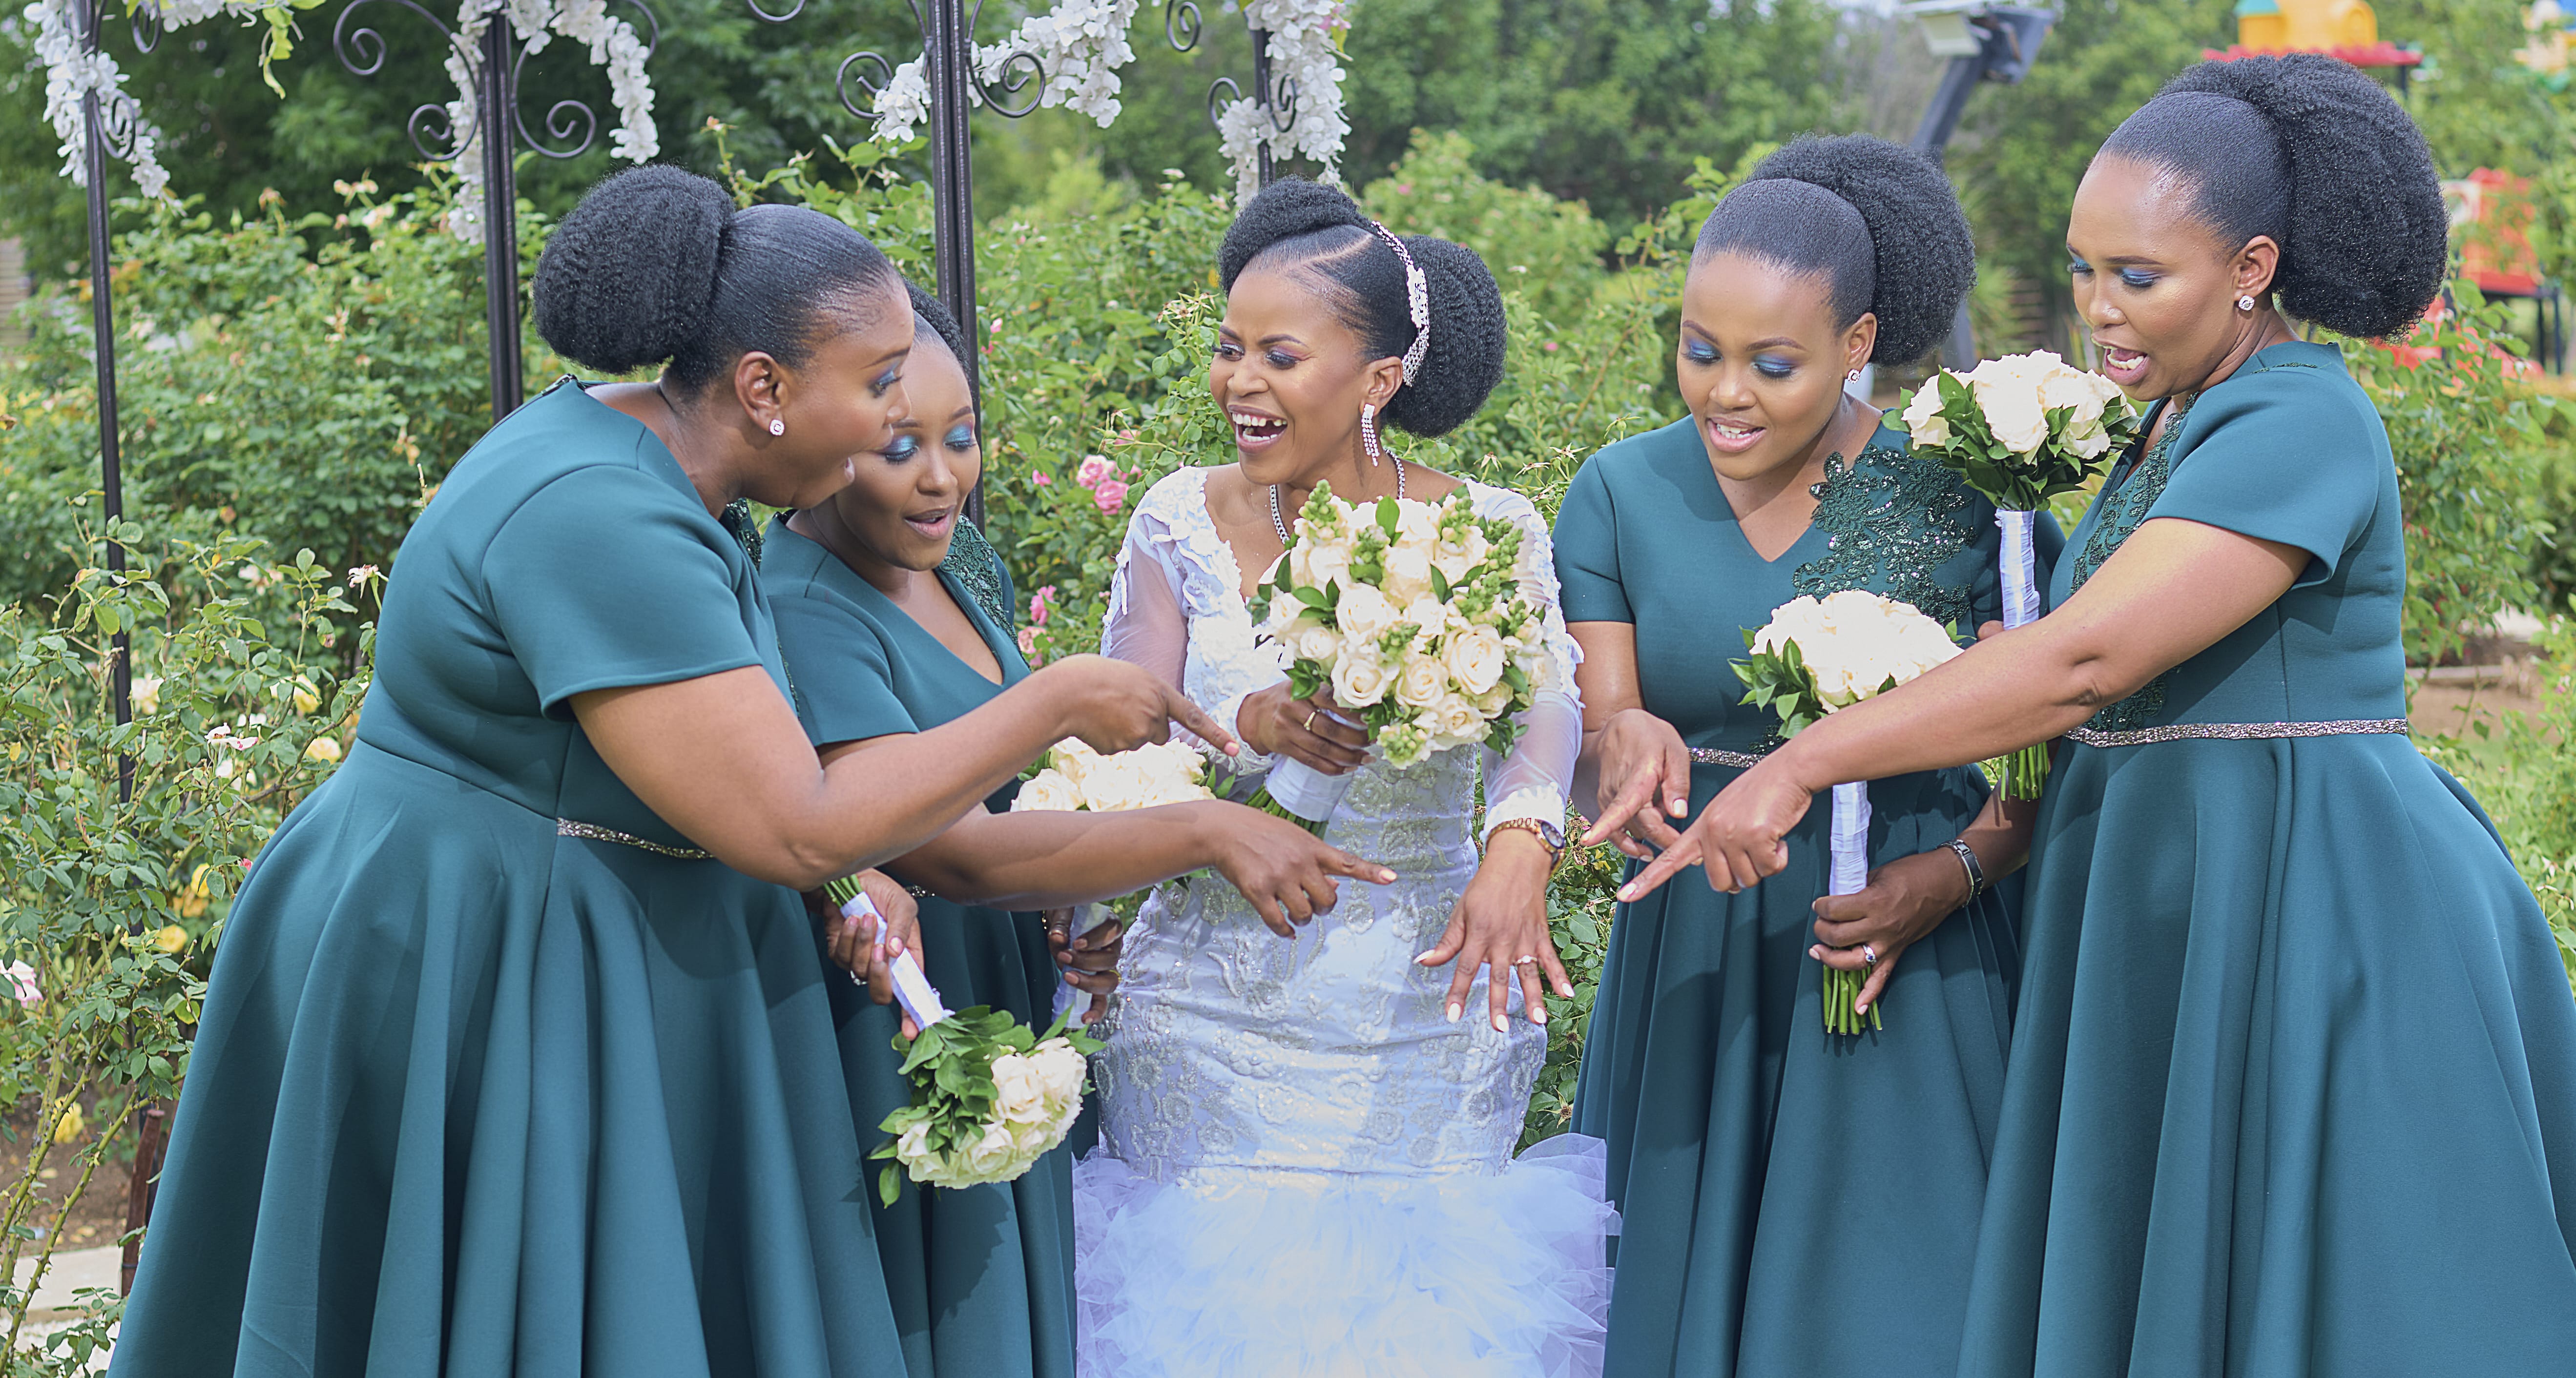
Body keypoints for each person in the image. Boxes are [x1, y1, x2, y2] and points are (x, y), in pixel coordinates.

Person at [109, 165, 1369, 1378]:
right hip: (468, 948)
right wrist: (1049, 704)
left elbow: (721, 777)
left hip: (580, 929)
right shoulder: (597, 512)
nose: (895, 421)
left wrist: (848, 884)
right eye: (878, 383)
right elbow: (793, 820)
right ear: (764, 386)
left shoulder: (677, 479)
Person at [1624, 57, 2576, 1378]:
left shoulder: (2300, 417)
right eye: (2083, 268)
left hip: (2311, 899)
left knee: (2363, 1296)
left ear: (2251, 268)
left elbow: (2085, 661)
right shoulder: (2166, 423)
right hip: (2169, 890)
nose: (2099, 307)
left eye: (2139, 276)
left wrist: (1801, 762)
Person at [765, 283, 1391, 1378]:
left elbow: (1014, 795)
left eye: (961, 436)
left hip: (1011, 979)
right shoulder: (807, 605)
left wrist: (1069, 917)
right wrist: (1205, 829)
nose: (941, 476)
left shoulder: (951, 564)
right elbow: (947, 849)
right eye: (898, 446)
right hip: (910, 1013)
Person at [1073, 178, 1614, 1378]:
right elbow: (1121, 752)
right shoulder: (1174, 519)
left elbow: (1545, 709)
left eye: (1278, 355)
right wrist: (1244, 723)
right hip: (1207, 1004)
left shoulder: (1490, 528)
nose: (1239, 380)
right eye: (1229, 348)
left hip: (1421, 992)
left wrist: (1521, 848)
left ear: (1377, 380)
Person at [1555, 134, 2051, 1378]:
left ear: (1857, 341)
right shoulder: (1616, 492)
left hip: (1897, 944)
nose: (1723, 393)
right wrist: (1625, 741)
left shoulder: (1966, 499)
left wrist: (1953, 876)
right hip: (1696, 957)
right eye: (1698, 350)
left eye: (1771, 364)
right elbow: (1603, 726)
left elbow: (2040, 765)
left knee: (1901, 1307)